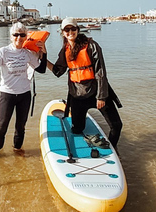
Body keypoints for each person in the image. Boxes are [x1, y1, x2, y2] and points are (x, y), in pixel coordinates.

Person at [0, 22, 47, 161]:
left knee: (20, 126)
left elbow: (41, 69)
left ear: (26, 37)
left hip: (24, 94)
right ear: (11, 37)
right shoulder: (3, 52)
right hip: (7, 94)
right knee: (2, 126)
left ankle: (17, 148)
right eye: (16, 35)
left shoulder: (27, 53)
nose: (19, 38)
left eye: (22, 35)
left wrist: (44, 53)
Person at [46, 17, 123, 149]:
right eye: (67, 29)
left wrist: (101, 97)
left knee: (116, 125)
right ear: (63, 32)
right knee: (77, 129)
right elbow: (58, 71)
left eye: (73, 29)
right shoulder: (65, 50)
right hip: (77, 96)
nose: (70, 32)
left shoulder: (92, 46)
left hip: (97, 93)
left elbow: (100, 72)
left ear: (78, 29)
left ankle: (112, 148)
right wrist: (42, 57)